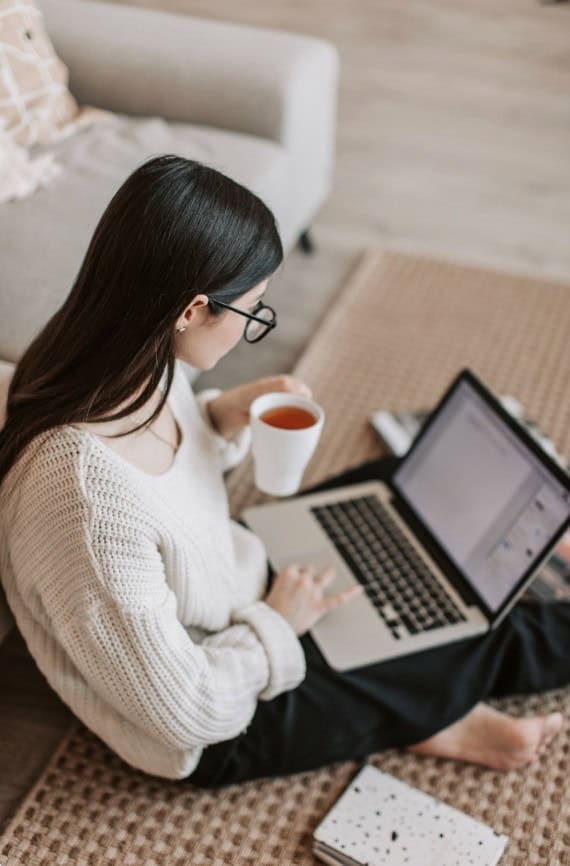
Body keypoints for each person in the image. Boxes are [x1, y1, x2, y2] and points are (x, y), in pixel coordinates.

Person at [0, 155, 567, 787]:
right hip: (217, 714)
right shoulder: (85, 507)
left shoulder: (112, 356)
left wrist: (220, 419)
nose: (249, 332)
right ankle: (429, 714)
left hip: (233, 579)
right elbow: (187, 711)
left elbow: (160, 475)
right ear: (189, 311)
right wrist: (278, 621)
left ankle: (413, 709)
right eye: (252, 312)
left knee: (394, 492)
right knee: (474, 624)